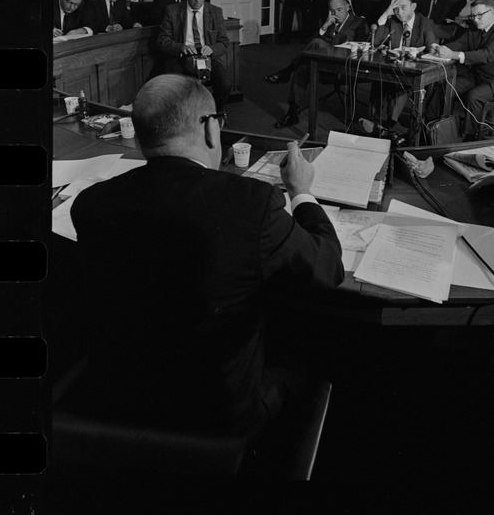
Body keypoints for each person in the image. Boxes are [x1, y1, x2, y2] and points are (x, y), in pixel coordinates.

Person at [67, 74, 343, 439]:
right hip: (219, 419)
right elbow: (327, 268)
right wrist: (301, 191)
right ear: (210, 129)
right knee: (304, 345)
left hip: (117, 404)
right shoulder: (252, 204)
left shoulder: (91, 203)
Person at [266, 0, 368, 129]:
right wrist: (325, 26)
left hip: (343, 64)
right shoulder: (330, 22)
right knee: (302, 68)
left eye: (339, 9)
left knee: (317, 42)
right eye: (332, 11)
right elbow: (310, 46)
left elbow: (360, 46)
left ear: (348, 6)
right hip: (322, 62)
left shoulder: (358, 22)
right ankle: (292, 113)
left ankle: (286, 71)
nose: (336, 14)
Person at [429, 0, 494, 140]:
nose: (475, 20)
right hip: (479, 78)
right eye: (473, 16)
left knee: (475, 96)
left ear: (492, 12)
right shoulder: (474, 29)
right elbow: (460, 43)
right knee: (445, 86)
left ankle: (470, 137)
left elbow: (486, 55)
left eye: (479, 15)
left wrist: (453, 55)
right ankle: (431, 129)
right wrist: (441, 49)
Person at [157, 0, 231, 111]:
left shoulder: (215, 12)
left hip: (206, 55)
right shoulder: (172, 11)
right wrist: (181, 47)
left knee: (225, 83)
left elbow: (224, 42)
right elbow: (163, 41)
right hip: (181, 56)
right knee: (176, 86)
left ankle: (216, 112)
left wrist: (212, 49)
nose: (198, 0)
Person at [367, 0, 437, 128]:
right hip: (392, 66)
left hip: (413, 71)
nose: (399, 13)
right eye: (395, 8)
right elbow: (375, 41)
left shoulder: (425, 23)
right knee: (379, 77)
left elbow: (432, 48)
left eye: (403, 7)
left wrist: (419, 52)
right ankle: (376, 121)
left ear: (413, 6)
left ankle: (388, 124)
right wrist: (386, 13)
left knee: (400, 82)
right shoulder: (393, 21)